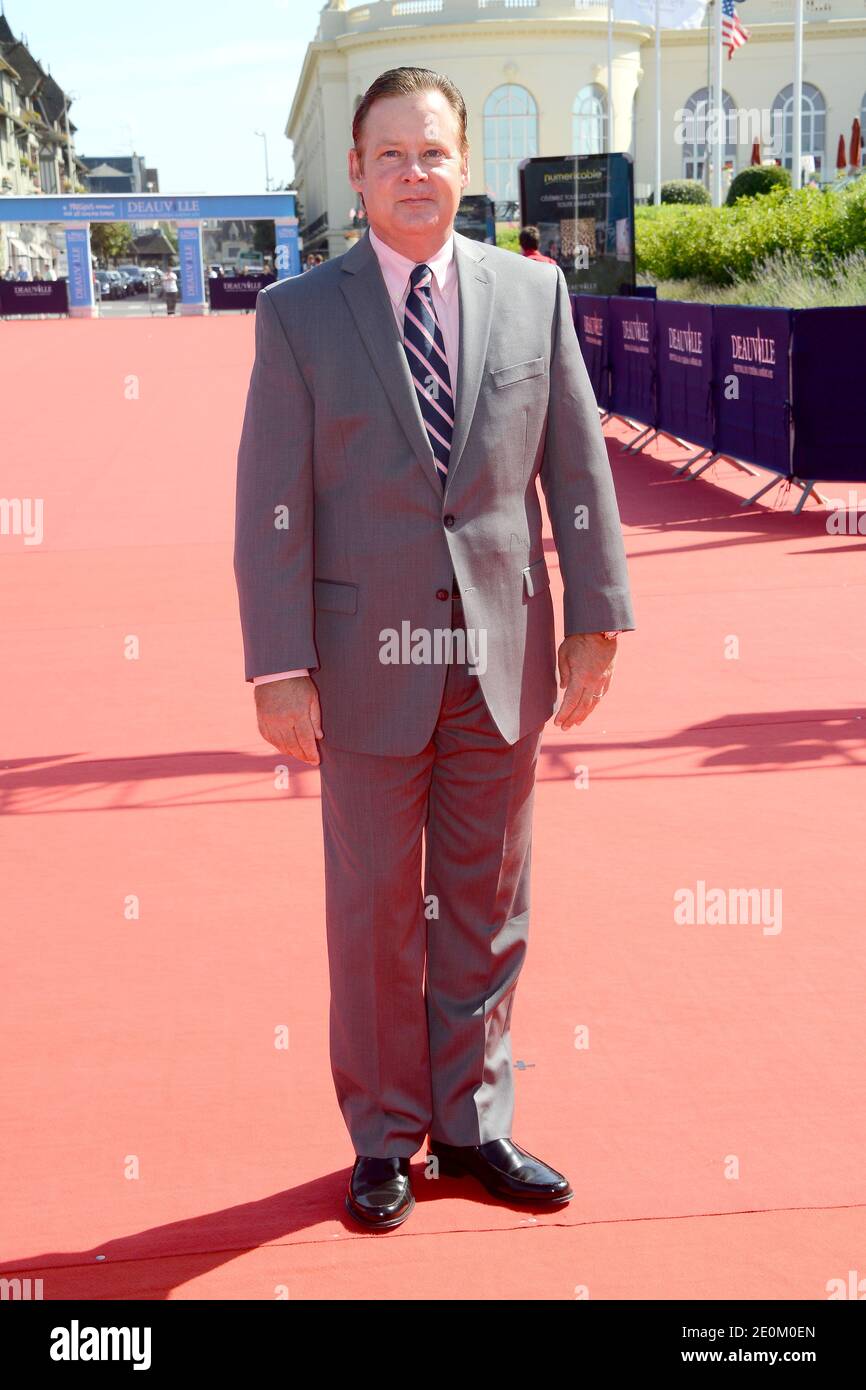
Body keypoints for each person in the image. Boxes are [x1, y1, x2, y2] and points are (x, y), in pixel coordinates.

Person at [234, 66, 634, 1231]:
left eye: (436, 152)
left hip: (502, 653)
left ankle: (471, 1124)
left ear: (467, 166)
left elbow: (576, 469)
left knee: (486, 900)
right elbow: (273, 502)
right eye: (392, 154)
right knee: (370, 909)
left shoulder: (530, 295)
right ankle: (380, 1137)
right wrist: (277, 663)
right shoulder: (298, 314)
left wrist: (597, 619)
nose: (417, 173)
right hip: (361, 666)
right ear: (354, 172)